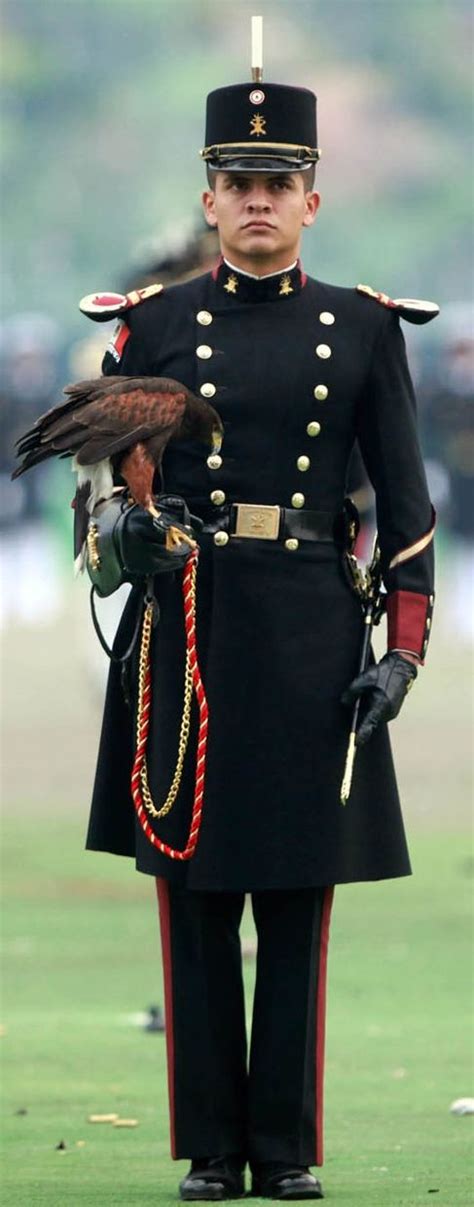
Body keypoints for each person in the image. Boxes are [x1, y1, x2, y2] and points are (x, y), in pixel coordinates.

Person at [82, 72, 437, 1201]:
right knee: (192, 898)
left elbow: (411, 512)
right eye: (237, 184)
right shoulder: (155, 325)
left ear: (313, 201)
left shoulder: (367, 326)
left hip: (311, 633)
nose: (257, 203)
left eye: (278, 184)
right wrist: (123, 544)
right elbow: (101, 506)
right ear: (209, 198)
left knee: (294, 896)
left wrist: (403, 653)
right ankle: (210, 1148)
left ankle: (281, 1147)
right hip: (184, 633)